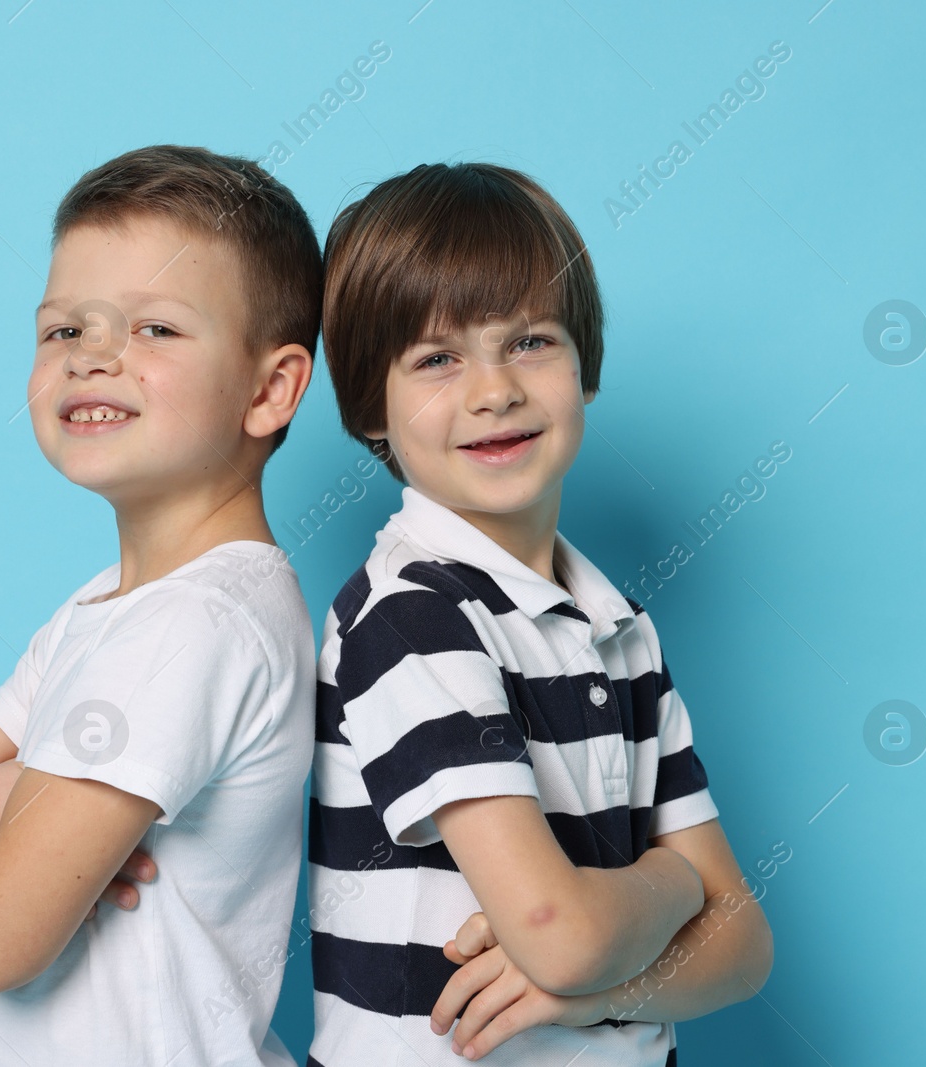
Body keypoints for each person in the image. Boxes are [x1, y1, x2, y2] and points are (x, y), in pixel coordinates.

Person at [308, 161, 773, 1064]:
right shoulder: (409, 616)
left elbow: (745, 947)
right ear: (373, 408)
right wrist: (676, 878)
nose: (494, 389)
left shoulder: (619, 628)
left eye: (529, 340)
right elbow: (560, 933)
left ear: (584, 365)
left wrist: (609, 987)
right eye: (437, 358)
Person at [0, 145, 323, 1066]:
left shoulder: (192, 627)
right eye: (63, 328)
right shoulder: (100, 609)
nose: (94, 356)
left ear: (270, 389)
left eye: (155, 329)